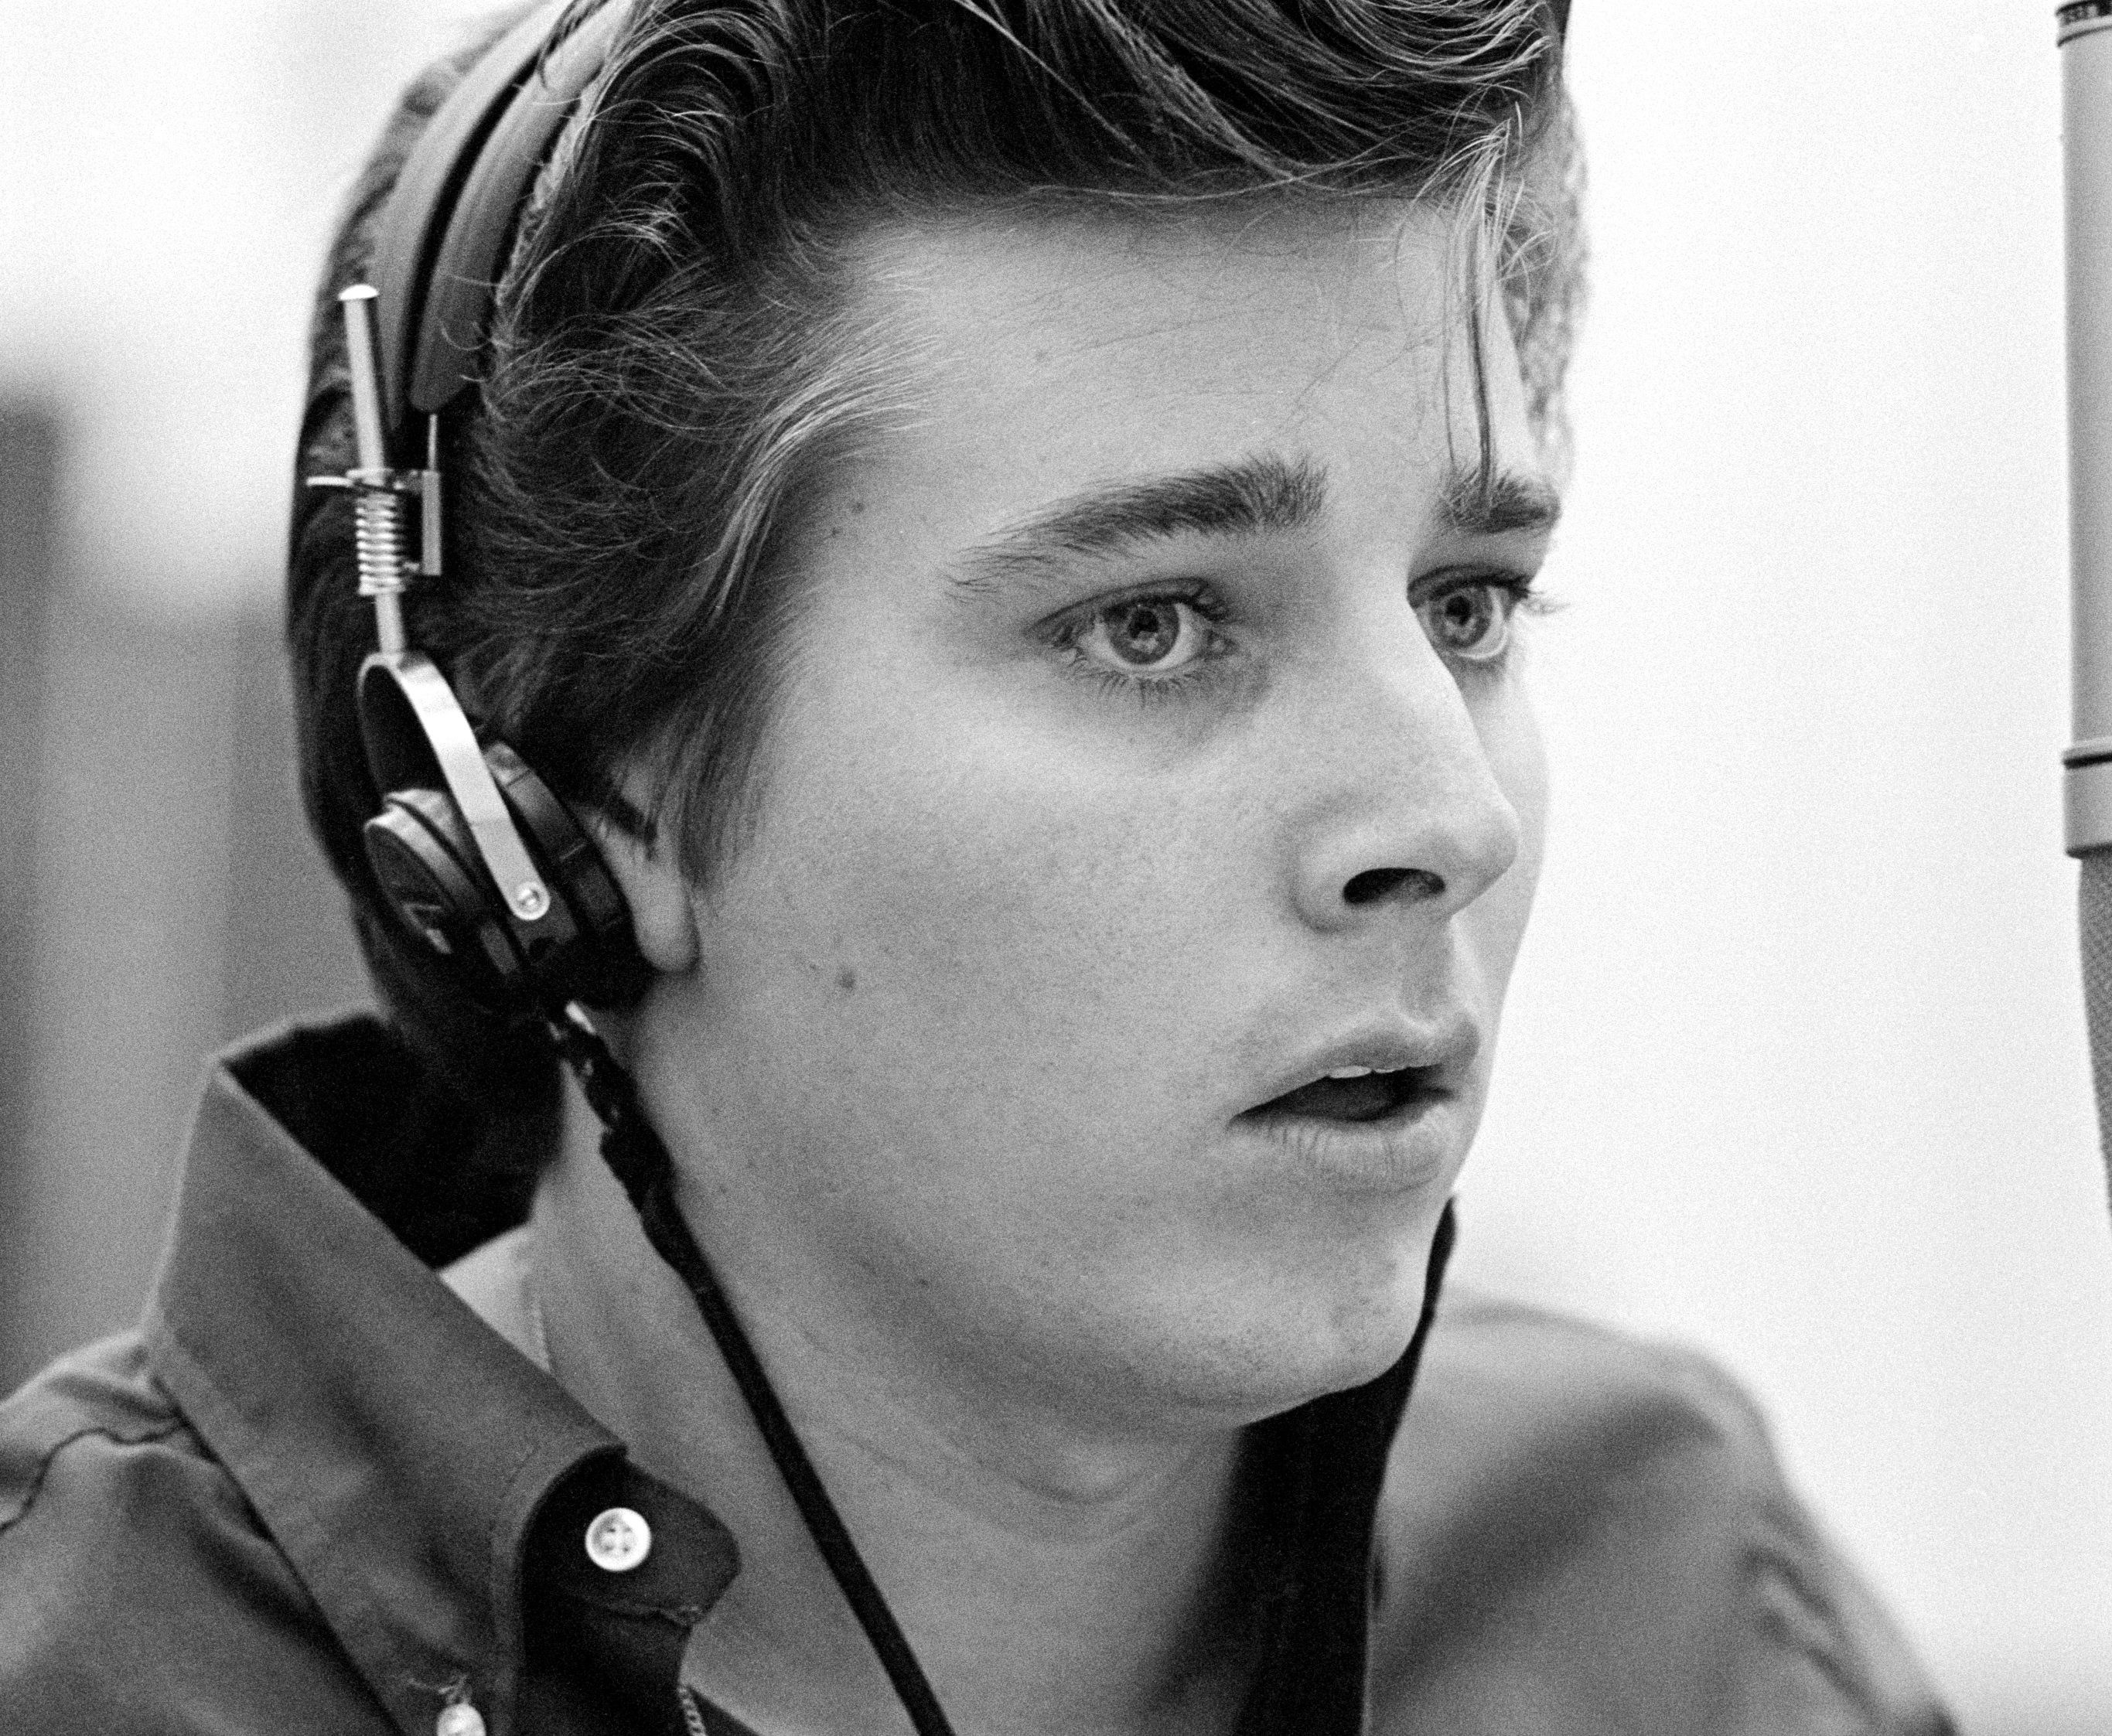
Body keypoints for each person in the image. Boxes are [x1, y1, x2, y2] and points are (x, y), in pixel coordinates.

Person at [0, 2, 1951, 1731]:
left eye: (1468, 604)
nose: (1447, 820)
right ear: (567, 812)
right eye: (1156, 624)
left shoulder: (1676, 1592)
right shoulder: (78, 1665)